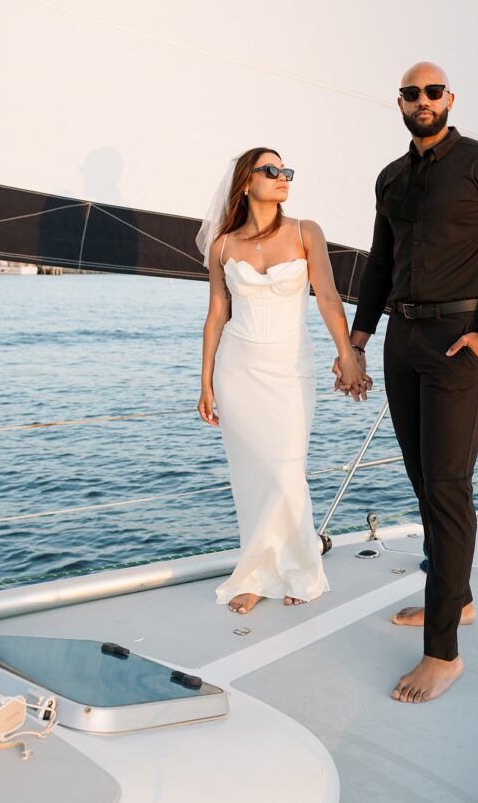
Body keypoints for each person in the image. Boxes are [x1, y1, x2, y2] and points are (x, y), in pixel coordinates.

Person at [337, 63, 478, 702]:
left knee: (448, 484)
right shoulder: (390, 178)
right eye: (410, 93)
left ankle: (443, 653)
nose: (421, 101)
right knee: (424, 480)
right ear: (398, 102)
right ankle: (458, 598)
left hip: (462, 341)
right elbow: (379, 267)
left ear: (449, 98)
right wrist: (357, 343)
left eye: (432, 91)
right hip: (402, 339)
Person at [197, 147, 370, 614]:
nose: (282, 177)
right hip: (238, 367)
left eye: (286, 171)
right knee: (251, 473)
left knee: (285, 469)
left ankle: (299, 567)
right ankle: (255, 574)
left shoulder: (304, 231)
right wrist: (206, 382)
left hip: (291, 368)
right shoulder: (222, 245)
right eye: (271, 170)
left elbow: (329, 298)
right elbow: (216, 315)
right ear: (246, 182)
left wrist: (349, 356)